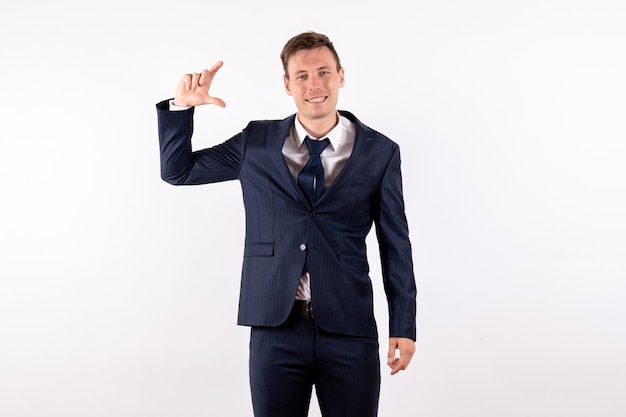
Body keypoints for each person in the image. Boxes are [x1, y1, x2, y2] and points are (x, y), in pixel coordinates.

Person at [156, 31, 417, 417]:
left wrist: (404, 324)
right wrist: (181, 107)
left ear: (341, 76)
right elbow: (178, 172)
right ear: (287, 85)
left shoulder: (379, 151)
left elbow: (395, 244)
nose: (315, 84)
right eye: (302, 76)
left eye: (324, 72)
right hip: (275, 328)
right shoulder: (255, 143)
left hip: (350, 328)